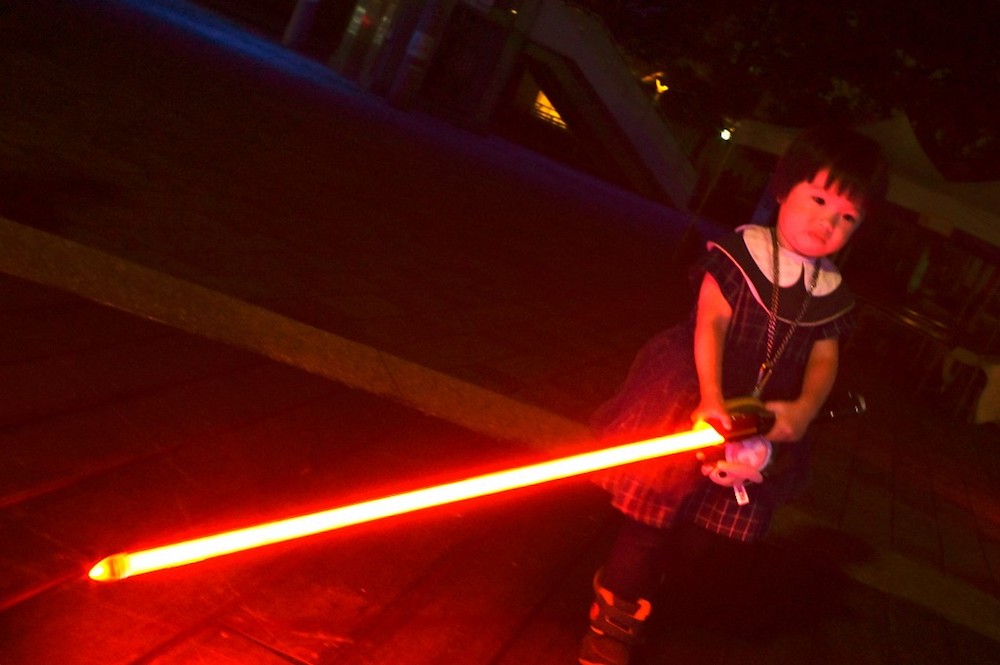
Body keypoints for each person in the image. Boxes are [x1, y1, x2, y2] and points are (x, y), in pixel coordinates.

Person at [578, 125, 890, 665]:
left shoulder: (832, 292)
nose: (827, 223)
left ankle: (646, 591)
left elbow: (825, 358)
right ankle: (616, 613)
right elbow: (712, 323)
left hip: (758, 427)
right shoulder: (742, 250)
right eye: (818, 199)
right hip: (691, 398)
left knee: (703, 534)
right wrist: (712, 395)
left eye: (847, 217)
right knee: (650, 521)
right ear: (782, 188)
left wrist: (804, 409)